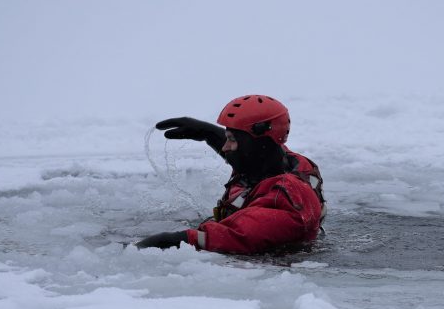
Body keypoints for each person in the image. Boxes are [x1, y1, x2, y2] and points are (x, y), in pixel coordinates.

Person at [136, 95, 325, 254]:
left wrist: (134, 249)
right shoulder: (284, 162)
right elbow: (249, 154)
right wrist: (208, 133)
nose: (225, 147)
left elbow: (223, 237)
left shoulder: (283, 203)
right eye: (226, 139)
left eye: (232, 140)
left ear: (256, 146)